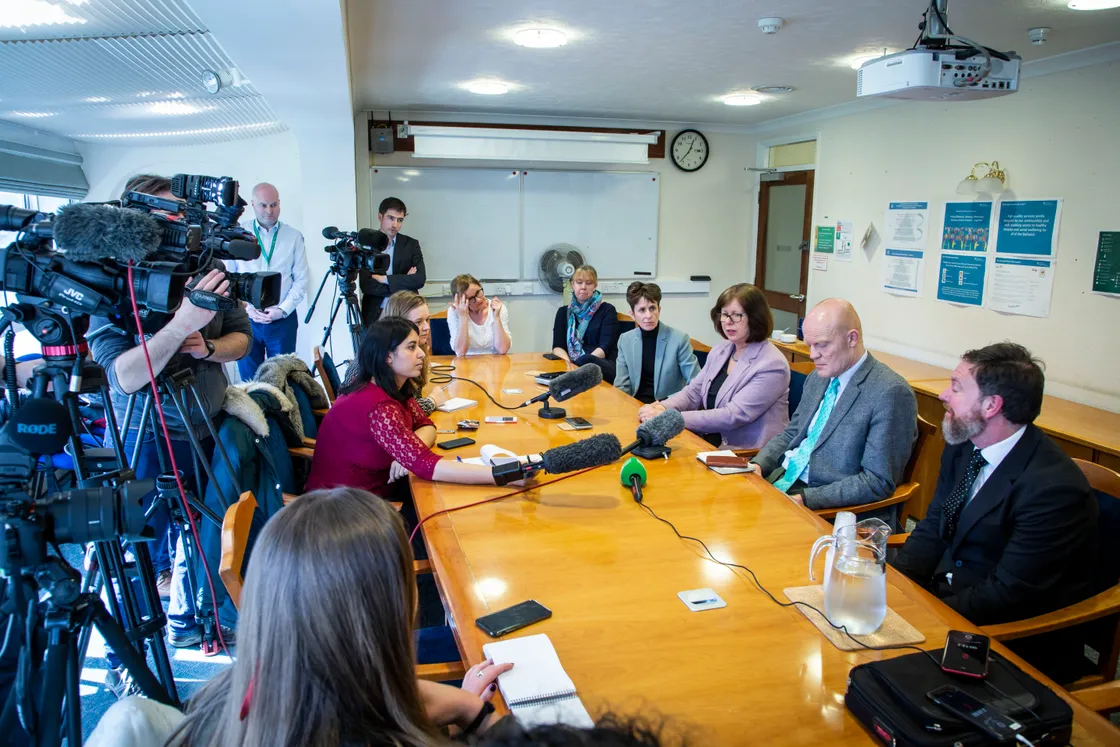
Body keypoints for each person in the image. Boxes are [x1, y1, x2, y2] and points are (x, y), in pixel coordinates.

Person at [166, 487, 510, 747]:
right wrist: (481, 722)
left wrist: (464, 706)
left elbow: (348, 686)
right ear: (389, 610)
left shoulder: (224, 697)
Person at [88, 174, 247, 670]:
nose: (174, 225)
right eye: (161, 215)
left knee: (203, 529)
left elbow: (240, 335)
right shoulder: (114, 277)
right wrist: (180, 325)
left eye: (178, 214)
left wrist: (210, 346)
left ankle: (196, 613)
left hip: (207, 417)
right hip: (147, 431)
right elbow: (124, 376)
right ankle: (138, 652)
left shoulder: (207, 266)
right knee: (147, 545)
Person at [891, 343, 1097, 681]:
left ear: (991, 405)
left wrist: (922, 619)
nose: (944, 395)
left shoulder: (1054, 489)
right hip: (947, 601)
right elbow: (933, 526)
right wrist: (894, 590)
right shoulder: (964, 445)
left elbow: (1007, 594)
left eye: (956, 387)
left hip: (1010, 639)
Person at [306, 317, 530, 495]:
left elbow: (426, 423)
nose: (422, 353)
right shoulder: (378, 406)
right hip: (346, 515)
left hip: (369, 496)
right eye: (411, 347)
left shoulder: (390, 388)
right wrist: (503, 474)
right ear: (387, 357)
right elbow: (427, 466)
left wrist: (408, 450)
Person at [750, 298, 917, 522]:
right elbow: (792, 433)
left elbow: (877, 481)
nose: (812, 355)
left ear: (852, 338)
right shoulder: (820, 377)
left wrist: (806, 499)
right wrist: (758, 464)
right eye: (809, 345)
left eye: (822, 345)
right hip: (782, 480)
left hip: (828, 505)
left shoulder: (890, 393)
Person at [638, 284, 788, 450]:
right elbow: (693, 392)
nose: (728, 322)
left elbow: (732, 415)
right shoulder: (721, 350)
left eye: (737, 315)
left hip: (746, 454)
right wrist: (661, 407)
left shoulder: (772, 364)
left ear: (755, 317)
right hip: (709, 443)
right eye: (724, 314)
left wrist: (671, 418)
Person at [226, 182, 308, 381]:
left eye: (274, 205)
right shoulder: (238, 235)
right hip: (247, 318)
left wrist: (281, 310)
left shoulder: (294, 236)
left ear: (279, 204)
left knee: (283, 380)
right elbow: (228, 277)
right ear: (253, 205)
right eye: (263, 205)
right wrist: (246, 308)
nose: (269, 211)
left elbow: (301, 280)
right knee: (249, 380)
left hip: (282, 320)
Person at [614, 282, 699, 405]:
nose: (648, 315)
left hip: (667, 407)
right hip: (634, 406)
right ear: (632, 314)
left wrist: (663, 405)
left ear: (659, 310)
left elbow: (696, 383)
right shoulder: (625, 340)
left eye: (652, 308)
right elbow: (622, 386)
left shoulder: (679, 339)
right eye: (642, 310)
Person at [381, 290, 451, 414]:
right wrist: (432, 401)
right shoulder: (383, 357)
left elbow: (411, 403)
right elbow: (398, 414)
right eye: (418, 322)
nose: (427, 327)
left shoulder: (418, 349)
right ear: (398, 323)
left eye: (427, 320)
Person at [359, 196, 426, 326]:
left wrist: (386, 280)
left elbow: (419, 279)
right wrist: (405, 281)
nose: (395, 225)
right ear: (380, 217)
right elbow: (367, 285)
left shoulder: (410, 245)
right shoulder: (367, 245)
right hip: (377, 313)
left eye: (400, 220)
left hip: (405, 312)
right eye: (391, 218)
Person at [551, 265, 618, 382]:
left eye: (588, 283)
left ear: (595, 285)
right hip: (571, 366)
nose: (583, 287)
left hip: (600, 364)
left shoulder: (607, 310)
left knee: (586, 359)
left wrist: (580, 366)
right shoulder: (563, 312)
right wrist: (569, 365)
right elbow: (557, 347)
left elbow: (605, 347)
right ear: (572, 284)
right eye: (579, 282)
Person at [446, 274, 511, 356]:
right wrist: (463, 317)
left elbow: (503, 349)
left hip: (495, 362)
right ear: (460, 301)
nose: (479, 300)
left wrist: (496, 318)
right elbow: (460, 352)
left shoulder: (497, 308)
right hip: (466, 363)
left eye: (478, 292)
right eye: (471, 299)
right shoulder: (454, 312)